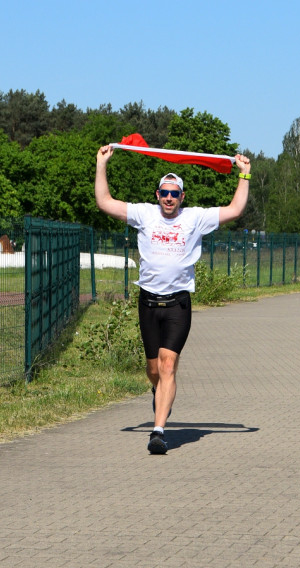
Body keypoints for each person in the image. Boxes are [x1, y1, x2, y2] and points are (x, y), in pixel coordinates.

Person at [95, 145, 251, 455]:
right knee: (153, 370)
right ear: (157, 195)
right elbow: (104, 202)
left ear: (182, 197)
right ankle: (158, 393)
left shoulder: (195, 218)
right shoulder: (144, 214)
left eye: (174, 194)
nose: (169, 198)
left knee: (168, 366)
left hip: (178, 304)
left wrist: (244, 173)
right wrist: (102, 164)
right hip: (149, 304)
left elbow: (235, 209)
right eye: (164, 193)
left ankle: (158, 431)